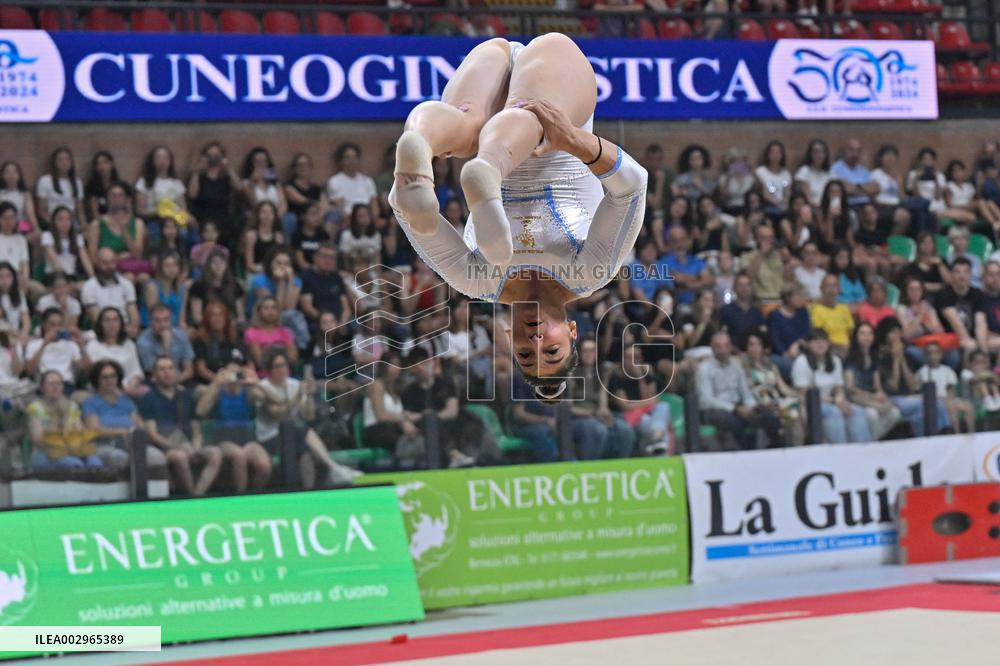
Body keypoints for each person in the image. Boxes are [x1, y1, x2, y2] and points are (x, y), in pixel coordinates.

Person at [388, 34, 646, 400]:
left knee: (464, 129)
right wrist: (574, 140)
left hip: (492, 95)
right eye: (551, 350)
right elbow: (633, 188)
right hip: (556, 91)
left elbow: (404, 207)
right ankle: (484, 168)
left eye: (525, 353)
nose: (536, 340)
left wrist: (411, 192)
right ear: (573, 331)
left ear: (509, 339)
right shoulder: (591, 271)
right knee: (526, 120)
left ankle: (421, 140)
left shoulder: (475, 281)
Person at [251, 350, 361, 487]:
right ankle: (334, 468)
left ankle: (309, 491)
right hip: (270, 437)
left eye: (284, 365)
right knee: (303, 432)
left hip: (295, 435)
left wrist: (308, 396)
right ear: (269, 369)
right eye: (277, 366)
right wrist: (297, 396)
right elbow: (280, 416)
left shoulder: (293, 384)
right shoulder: (262, 387)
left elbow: (309, 415)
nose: (282, 369)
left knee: (305, 453)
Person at [140, 356, 223, 496]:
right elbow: (152, 434)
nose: (167, 372)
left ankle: (199, 493)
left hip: (189, 444)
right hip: (165, 447)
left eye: (171, 368)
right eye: (162, 369)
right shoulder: (149, 399)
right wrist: (178, 446)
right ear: (154, 375)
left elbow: (196, 427)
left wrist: (196, 445)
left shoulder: (186, 396)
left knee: (215, 453)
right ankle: (191, 496)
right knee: (180, 457)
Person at [697, 331, 781, 450]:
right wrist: (735, 409)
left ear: (730, 347)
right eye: (719, 347)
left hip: (738, 405)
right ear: (712, 348)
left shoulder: (736, 365)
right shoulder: (704, 368)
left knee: (767, 415)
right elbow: (706, 400)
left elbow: (745, 392)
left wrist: (751, 407)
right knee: (732, 422)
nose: (723, 350)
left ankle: (774, 449)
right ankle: (744, 454)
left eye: (726, 346)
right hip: (714, 409)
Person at [196, 362, 271, 493]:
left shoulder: (248, 392)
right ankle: (240, 495)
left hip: (247, 439)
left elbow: (270, 399)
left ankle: (255, 493)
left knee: (264, 464)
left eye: (237, 373)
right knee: (239, 455)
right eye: (231, 373)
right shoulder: (218, 392)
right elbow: (200, 411)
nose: (234, 377)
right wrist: (216, 383)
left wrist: (256, 382)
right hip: (224, 439)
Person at [81, 359, 162, 476]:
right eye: (104, 377)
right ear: (97, 380)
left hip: (131, 444)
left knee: (157, 457)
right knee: (121, 458)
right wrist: (124, 431)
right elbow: (94, 430)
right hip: (104, 446)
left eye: (113, 376)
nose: (109, 380)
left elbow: (139, 427)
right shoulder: (91, 403)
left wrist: (133, 433)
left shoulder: (127, 402)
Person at [792, 329, 872, 444]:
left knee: (857, 411)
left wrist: (840, 399)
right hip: (812, 404)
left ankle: (863, 450)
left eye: (823, 341)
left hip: (832, 401)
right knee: (834, 412)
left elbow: (839, 387)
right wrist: (834, 401)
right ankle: (839, 451)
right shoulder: (801, 362)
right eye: (816, 341)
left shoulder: (835, 360)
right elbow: (804, 393)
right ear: (808, 344)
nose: (820, 344)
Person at [878, 318, 949, 436]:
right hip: (893, 398)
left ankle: (944, 433)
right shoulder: (882, 358)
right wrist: (896, 359)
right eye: (892, 332)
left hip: (910, 396)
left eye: (898, 332)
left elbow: (912, 385)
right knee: (923, 407)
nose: (896, 336)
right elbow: (893, 387)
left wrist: (902, 360)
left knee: (936, 404)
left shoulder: (908, 355)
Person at [567, 336, 636, 458]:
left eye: (593, 350)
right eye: (585, 351)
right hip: (577, 418)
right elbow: (569, 408)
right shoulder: (570, 375)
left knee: (625, 430)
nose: (589, 354)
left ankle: (621, 465)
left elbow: (602, 403)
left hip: (595, 415)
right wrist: (592, 413)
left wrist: (605, 413)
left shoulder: (601, 374)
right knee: (598, 430)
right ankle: (591, 467)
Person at [26, 371, 102, 473]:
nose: (55, 387)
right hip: (46, 453)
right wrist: (57, 419)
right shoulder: (35, 408)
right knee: (74, 464)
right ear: (42, 388)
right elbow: (38, 439)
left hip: (72, 451)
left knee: (95, 462)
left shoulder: (71, 406)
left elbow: (80, 433)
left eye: (59, 383)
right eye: (51, 384)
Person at [742, 331, 803, 446]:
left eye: (759, 344)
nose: (756, 348)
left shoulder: (770, 365)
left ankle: (797, 446)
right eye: (751, 344)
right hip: (758, 401)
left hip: (775, 399)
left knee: (799, 408)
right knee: (791, 413)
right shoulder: (741, 364)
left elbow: (783, 388)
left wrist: (800, 396)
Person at [844, 322, 901, 440]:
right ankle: (874, 445)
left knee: (894, 413)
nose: (866, 337)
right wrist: (872, 397)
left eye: (870, 333)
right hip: (855, 397)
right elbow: (850, 387)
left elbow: (877, 385)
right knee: (872, 415)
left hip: (871, 397)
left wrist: (880, 394)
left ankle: (873, 440)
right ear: (856, 336)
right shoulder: (849, 358)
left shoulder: (874, 357)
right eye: (862, 333)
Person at [84, 181, 150, 277]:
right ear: (107, 198)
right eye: (113, 196)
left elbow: (137, 254)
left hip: (131, 268)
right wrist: (116, 258)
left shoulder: (137, 223)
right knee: (129, 277)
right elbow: (92, 257)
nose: (116, 199)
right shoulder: (97, 224)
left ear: (126, 199)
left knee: (142, 277)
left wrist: (124, 228)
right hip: (106, 269)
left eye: (120, 196)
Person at [248, 249, 310, 350]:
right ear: (270, 264)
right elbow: (275, 309)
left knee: (292, 315)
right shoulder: (258, 280)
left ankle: (303, 348)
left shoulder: (296, 281)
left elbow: (290, 307)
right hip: (260, 318)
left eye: (286, 263)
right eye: (278, 263)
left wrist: (290, 281)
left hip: (284, 319)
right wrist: (281, 283)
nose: (282, 266)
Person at [188, 141, 241, 245]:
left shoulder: (225, 177)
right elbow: (192, 195)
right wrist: (197, 172)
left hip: (222, 219)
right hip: (203, 218)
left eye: (216, 156)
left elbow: (239, 188)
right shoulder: (200, 177)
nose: (213, 159)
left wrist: (229, 168)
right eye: (209, 156)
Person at [917, 341, 976, 433]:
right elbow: (920, 390)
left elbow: (951, 389)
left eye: (936, 352)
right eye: (930, 353)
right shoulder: (922, 372)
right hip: (932, 402)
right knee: (951, 408)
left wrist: (949, 399)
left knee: (968, 406)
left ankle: (972, 433)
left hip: (948, 399)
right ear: (926, 355)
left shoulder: (947, 370)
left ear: (941, 354)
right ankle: (957, 434)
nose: (933, 356)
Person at [84, 306, 144, 395]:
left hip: (126, 388)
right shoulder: (92, 345)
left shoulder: (129, 345)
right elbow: (91, 372)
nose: (111, 324)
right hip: (100, 390)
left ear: (121, 323)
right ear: (101, 323)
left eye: (115, 320)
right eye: (107, 320)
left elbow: (136, 372)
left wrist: (130, 387)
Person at [934, 257, 986, 356]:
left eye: (966, 272)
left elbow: (981, 323)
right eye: (957, 272)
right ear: (952, 274)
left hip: (973, 337)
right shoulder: (944, 294)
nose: (962, 276)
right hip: (951, 338)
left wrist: (983, 350)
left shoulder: (977, 294)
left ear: (971, 274)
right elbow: (956, 324)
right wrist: (972, 344)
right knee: (969, 345)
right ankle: (968, 371)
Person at [24, 308, 85, 391]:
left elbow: (84, 369)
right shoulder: (34, 344)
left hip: (66, 384)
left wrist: (81, 345)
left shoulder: (71, 344)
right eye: (52, 324)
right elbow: (29, 371)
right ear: (44, 325)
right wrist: (44, 345)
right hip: (44, 385)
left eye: (59, 324)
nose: (56, 328)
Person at [187, 248, 246, 329]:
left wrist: (231, 323)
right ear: (208, 265)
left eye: (222, 262)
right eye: (214, 262)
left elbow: (241, 316)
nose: (218, 265)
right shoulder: (199, 285)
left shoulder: (235, 284)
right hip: (206, 325)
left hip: (230, 325)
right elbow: (197, 317)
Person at [193, 301, 249, 385]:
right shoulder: (201, 340)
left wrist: (242, 378)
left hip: (238, 381)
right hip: (212, 383)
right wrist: (222, 381)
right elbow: (201, 370)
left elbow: (247, 364)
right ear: (207, 319)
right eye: (213, 316)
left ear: (226, 318)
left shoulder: (236, 338)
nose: (217, 319)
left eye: (220, 315)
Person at [136, 303, 195, 382]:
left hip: (181, 380)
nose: (162, 325)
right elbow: (156, 374)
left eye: (166, 320)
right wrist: (166, 345)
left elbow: (189, 371)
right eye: (157, 321)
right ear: (150, 321)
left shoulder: (181, 335)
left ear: (171, 320)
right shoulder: (143, 341)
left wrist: (176, 384)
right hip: (156, 383)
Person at [300, 242, 351, 328]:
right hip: (318, 322)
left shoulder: (337, 277)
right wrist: (327, 322)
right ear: (315, 257)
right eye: (324, 256)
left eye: (332, 258)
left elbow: (346, 307)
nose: (328, 261)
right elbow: (308, 308)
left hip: (339, 322)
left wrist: (343, 322)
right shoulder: (306, 277)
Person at [41, 206, 94, 288]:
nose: (65, 223)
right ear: (54, 221)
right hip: (55, 276)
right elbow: (55, 262)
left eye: (68, 219)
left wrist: (93, 279)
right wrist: (67, 282)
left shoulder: (77, 238)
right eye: (60, 219)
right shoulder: (47, 236)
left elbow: (85, 260)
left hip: (72, 276)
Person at [326, 142, 379, 223]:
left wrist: (373, 219)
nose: (351, 161)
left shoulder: (367, 181)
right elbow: (339, 207)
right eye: (347, 157)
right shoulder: (334, 181)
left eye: (354, 157)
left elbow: (374, 204)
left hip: (368, 218)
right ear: (341, 161)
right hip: (348, 220)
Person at [244, 297, 297, 374]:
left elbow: (293, 358)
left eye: (274, 308)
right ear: (259, 311)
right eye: (266, 308)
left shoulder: (286, 332)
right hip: (263, 377)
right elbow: (260, 361)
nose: (270, 311)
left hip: (286, 376)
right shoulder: (251, 333)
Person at [663, 226, 714, 307]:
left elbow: (709, 280)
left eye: (683, 240)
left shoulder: (695, 260)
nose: (680, 244)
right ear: (669, 243)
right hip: (677, 305)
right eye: (676, 241)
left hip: (698, 305)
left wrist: (691, 285)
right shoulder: (664, 261)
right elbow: (678, 279)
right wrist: (698, 278)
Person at [768, 284, 811, 379]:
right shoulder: (775, 315)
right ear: (787, 297)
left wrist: (797, 343)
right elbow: (774, 340)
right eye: (798, 295)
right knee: (785, 364)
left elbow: (806, 332)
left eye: (803, 295)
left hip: (802, 351)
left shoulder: (803, 312)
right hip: (781, 355)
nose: (802, 298)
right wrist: (785, 353)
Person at [134, 145, 188, 222]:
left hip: (174, 222)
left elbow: (183, 209)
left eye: (166, 158)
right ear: (152, 161)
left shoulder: (177, 183)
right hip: (153, 221)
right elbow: (140, 210)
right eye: (158, 158)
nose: (162, 161)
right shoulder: (143, 182)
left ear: (170, 161)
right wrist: (159, 212)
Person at [36, 146, 85, 223]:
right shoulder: (45, 180)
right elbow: (42, 211)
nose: (64, 163)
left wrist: (84, 225)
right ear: (54, 162)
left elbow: (80, 211)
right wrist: (55, 224)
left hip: (72, 221)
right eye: (60, 160)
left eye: (67, 159)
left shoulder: (77, 181)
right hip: (52, 220)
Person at [140, 250, 188, 329]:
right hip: (153, 329)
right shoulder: (152, 287)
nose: (171, 269)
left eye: (175, 265)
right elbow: (154, 317)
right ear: (160, 268)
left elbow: (182, 318)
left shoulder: (182, 289)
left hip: (174, 329)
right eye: (167, 265)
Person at [809, 274, 855, 353]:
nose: (831, 289)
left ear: (839, 289)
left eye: (835, 285)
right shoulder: (816, 309)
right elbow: (819, 336)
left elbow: (850, 331)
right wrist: (840, 346)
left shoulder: (844, 308)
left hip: (847, 348)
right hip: (828, 350)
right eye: (828, 285)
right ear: (821, 288)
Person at [241, 147, 288, 218]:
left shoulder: (275, 182)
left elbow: (283, 204)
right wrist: (252, 182)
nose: (261, 164)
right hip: (258, 218)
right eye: (257, 162)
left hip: (276, 218)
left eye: (264, 161)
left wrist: (276, 218)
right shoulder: (246, 182)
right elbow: (252, 203)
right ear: (251, 164)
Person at [720, 273, 765, 349]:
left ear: (751, 288)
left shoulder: (757, 312)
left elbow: (762, 335)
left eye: (747, 285)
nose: (744, 288)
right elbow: (722, 335)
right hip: (733, 353)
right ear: (734, 288)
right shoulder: (726, 310)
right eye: (740, 285)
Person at [830, 138, 879, 207]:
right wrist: (864, 189)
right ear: (844, 151)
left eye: (858, 151)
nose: (855, 154)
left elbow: (875, 188)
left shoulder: (863, 170)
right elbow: (844, 189)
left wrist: (856, 187)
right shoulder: (836, 168)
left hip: (866, 205)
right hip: (847, 206)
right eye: (851, 150)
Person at [242, 201, 286, 276]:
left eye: (270, 212)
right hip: (256, 271)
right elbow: (249, 264)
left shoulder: (279, 237)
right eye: (264, 212)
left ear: (274, 216)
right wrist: (265, 270)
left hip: (274, 271)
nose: (267, 215)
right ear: (258, 215)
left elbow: (281, 259)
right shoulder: (251, 236)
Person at [743, 225, 785, 302]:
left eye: (770, 237)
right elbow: (749, 277)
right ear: (757, 239)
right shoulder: (748, 257)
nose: (768, 241)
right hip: (760, 300)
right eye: (764, 238)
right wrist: (761, 254)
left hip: (780, 300)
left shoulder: (779, 256)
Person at [755, 140, 792, 219]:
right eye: (772, 152)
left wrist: (784, 204)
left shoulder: (786, 174)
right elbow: (765, 193)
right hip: (767, 207)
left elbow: (787, 192)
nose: (775, 155)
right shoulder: (761, 172)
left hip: (783, 207)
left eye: (778, 152)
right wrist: (777, 203)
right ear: (768, 154)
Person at [0, 160, 38, 233]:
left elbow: (30, 215)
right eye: (7, 172)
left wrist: (36, 228)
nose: (11, 175)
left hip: (20, 226)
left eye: (14, 172)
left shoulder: (25, 194)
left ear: (19, 175)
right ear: (2, 175)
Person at [291, 201, 330, 272]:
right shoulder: (297, 235)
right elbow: (301, 262)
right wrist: (315, 268)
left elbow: (329, 255)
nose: (317, 217)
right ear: (303, 216)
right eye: (312, 214)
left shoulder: (323, 234)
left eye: (318, 213)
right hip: (304, 272)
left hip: (323, 271)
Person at [794, 139, 833, 208]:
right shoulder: (804, 172)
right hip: (811, 208)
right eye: (816, 152)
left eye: (822, 152)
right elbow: (807, 199)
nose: (819, 155)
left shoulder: (830, 173)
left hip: (828, 208)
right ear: (810, 154)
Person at [83, 150, 119, 223]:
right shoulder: (92, 187)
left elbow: (126, 209)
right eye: (98, 164)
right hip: (101, 222)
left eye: (105, 162)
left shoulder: (120, 185)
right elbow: (94, 214)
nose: (102, 166)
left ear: (112, 164)